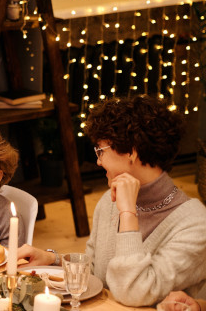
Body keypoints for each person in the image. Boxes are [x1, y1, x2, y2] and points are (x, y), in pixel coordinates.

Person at [17, 95, 206, 307]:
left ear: (132, 152)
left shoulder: (196, 225)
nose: (98, 161)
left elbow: (132, 292)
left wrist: (128, 215)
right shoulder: (110, 200)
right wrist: (54, 260)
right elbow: (98, 273)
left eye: (100, 150)